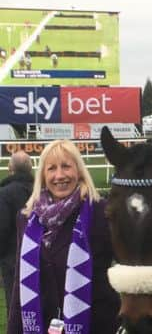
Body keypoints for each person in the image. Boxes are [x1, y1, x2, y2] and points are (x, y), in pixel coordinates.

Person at [7, 140, 120, 334]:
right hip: (41, 324)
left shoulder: (101, 212)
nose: (60, 175)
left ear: (79, 170)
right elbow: (20, 281)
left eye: (66, 166)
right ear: (43, 174)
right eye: (52, 168)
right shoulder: (26, 218)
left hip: (96, 324)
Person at [0, 151, 34, 315]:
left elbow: (2, 230)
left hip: (12, 261)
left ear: (10, 168)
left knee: (15, 309)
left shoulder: (4, 193)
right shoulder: (41, 189)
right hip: (40, 258)